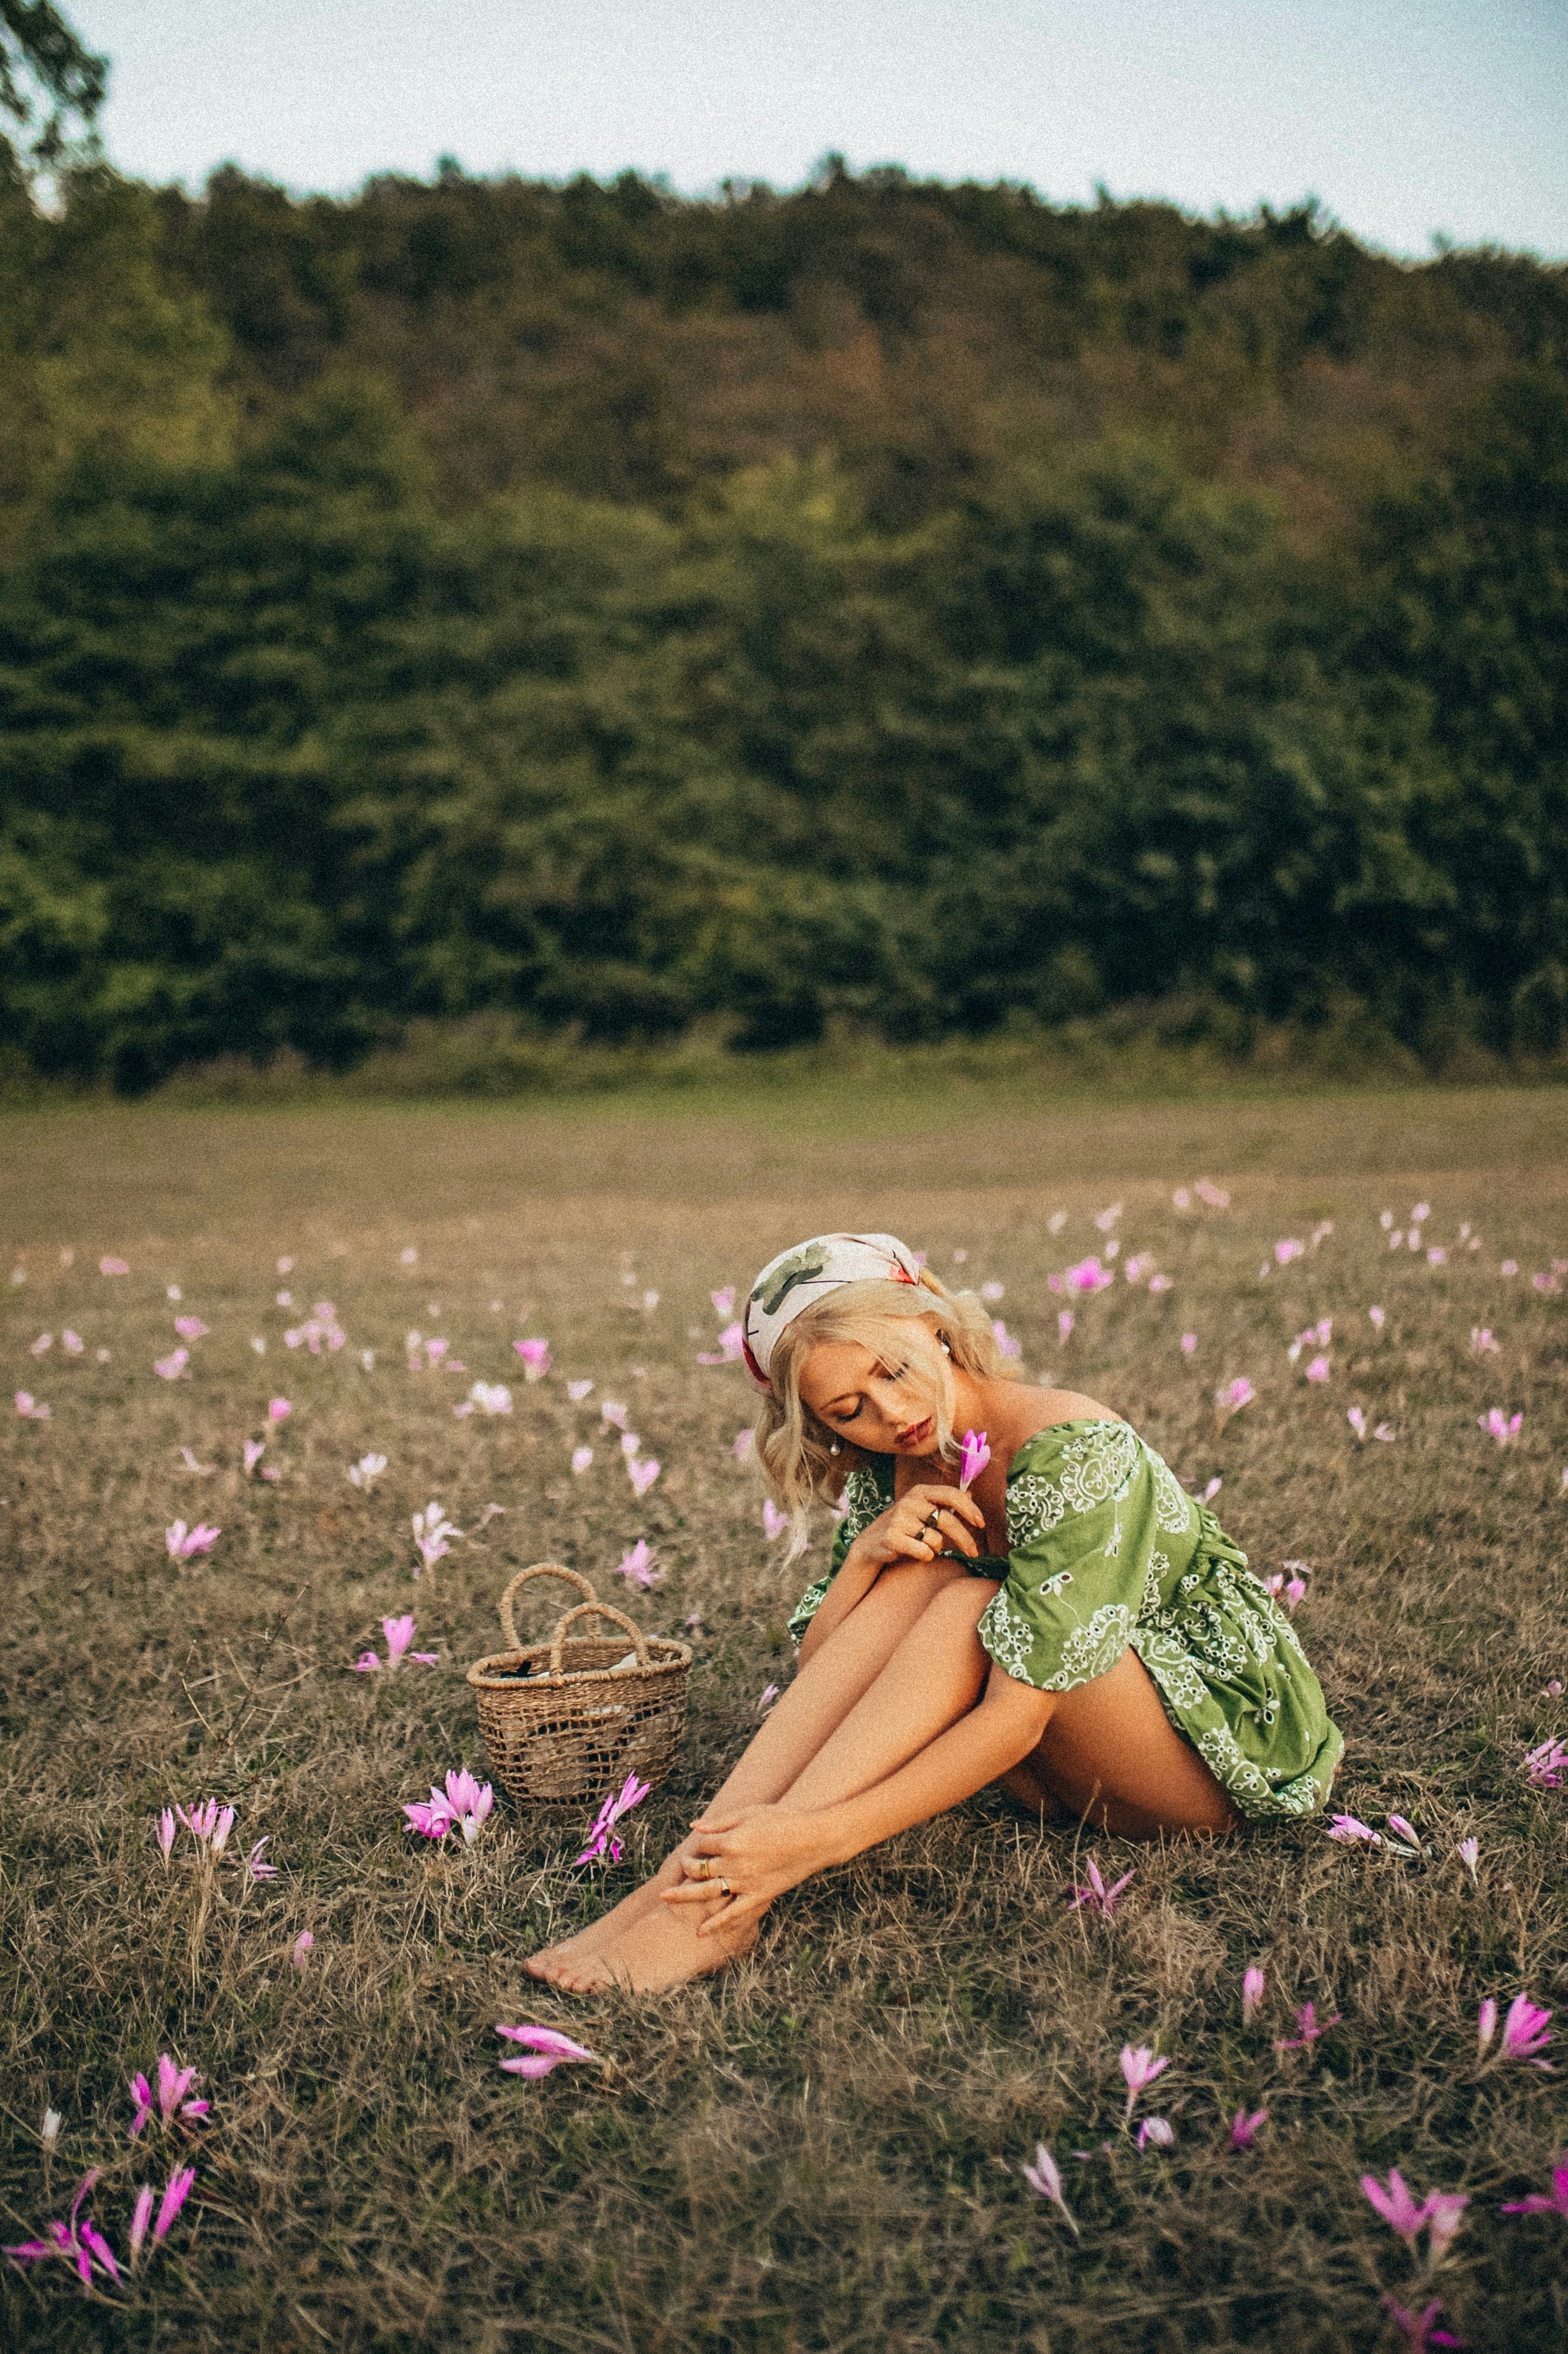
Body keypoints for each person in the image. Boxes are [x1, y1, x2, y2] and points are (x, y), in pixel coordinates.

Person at [526, 1232, 1342, 1993]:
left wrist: (815, 1841)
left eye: (893, 1368)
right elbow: (830, 1680)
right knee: (924, 1579)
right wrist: (863, 1557)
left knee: (968, 1599)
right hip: (1054, 1772)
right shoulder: (896, 1461)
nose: (890, 1413)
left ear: (934, 1322)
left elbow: (1017, 1719)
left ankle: (723, 1898)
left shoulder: (1074, 1450)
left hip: (1202, 1765)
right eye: (847, 1409)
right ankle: (686, 1880)